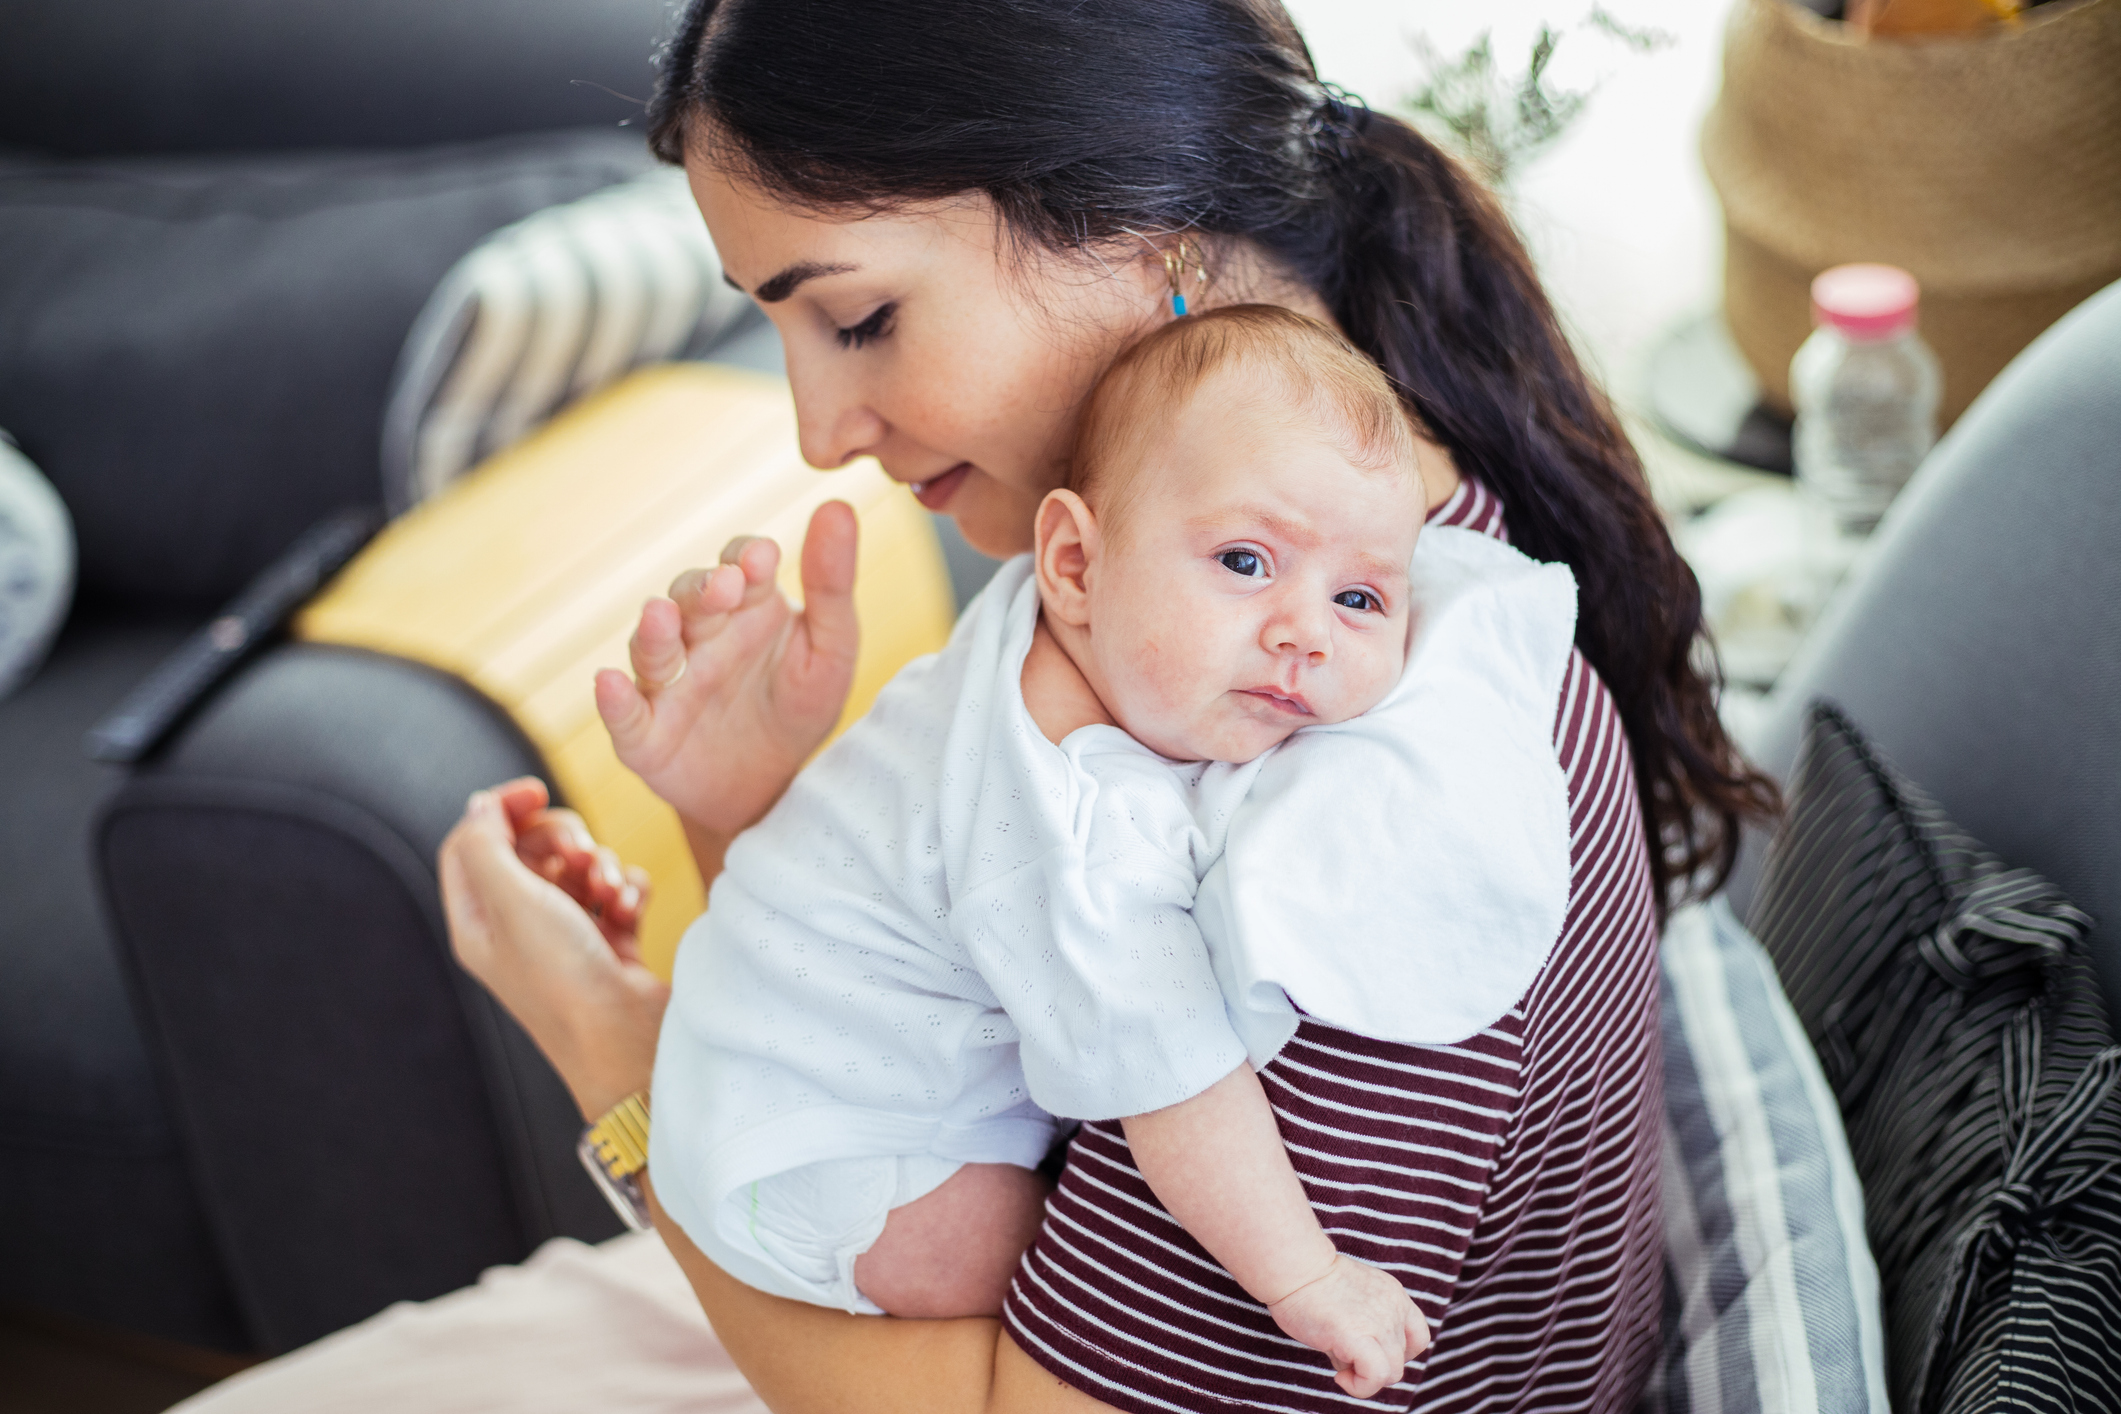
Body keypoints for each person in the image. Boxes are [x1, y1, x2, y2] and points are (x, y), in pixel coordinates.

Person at [321, 2, 1781, 1412]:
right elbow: (969, 1095)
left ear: (1152, 239)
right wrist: (757, 825)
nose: (819, 433)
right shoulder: (1330, 588)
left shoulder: (1326, 787)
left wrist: (618, 1058)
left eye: (860, 316)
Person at [641, 304, 1575, 1402]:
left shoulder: (1089, 624)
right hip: (824, 1157)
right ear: (1075, 560)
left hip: (747, 1035)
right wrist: (1306, 1275)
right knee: (1043, 1263)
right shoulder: (1076, 816)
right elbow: (1170, 1070)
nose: (1306, 630)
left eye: (1361, 596)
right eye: (1244, 559)